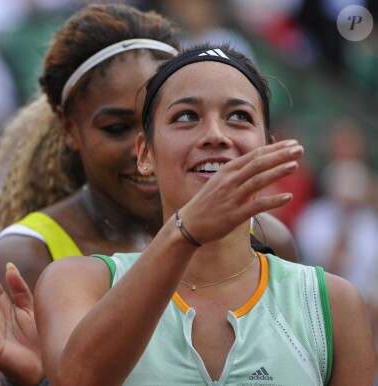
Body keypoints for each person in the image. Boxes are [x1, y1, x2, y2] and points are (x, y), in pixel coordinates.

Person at [0, 3, 298, 385]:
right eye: (116, 127)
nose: (142, 144)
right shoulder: (27, 258)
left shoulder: (263, 238)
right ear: (70, 128)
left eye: (177, 119)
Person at [26, 44, 376, 384]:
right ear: (145, 154)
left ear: (266, 147)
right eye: (186, 117)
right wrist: (185, 232)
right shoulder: (79, 282)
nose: (215, 135)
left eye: (239, 116)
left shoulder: (333, 303)